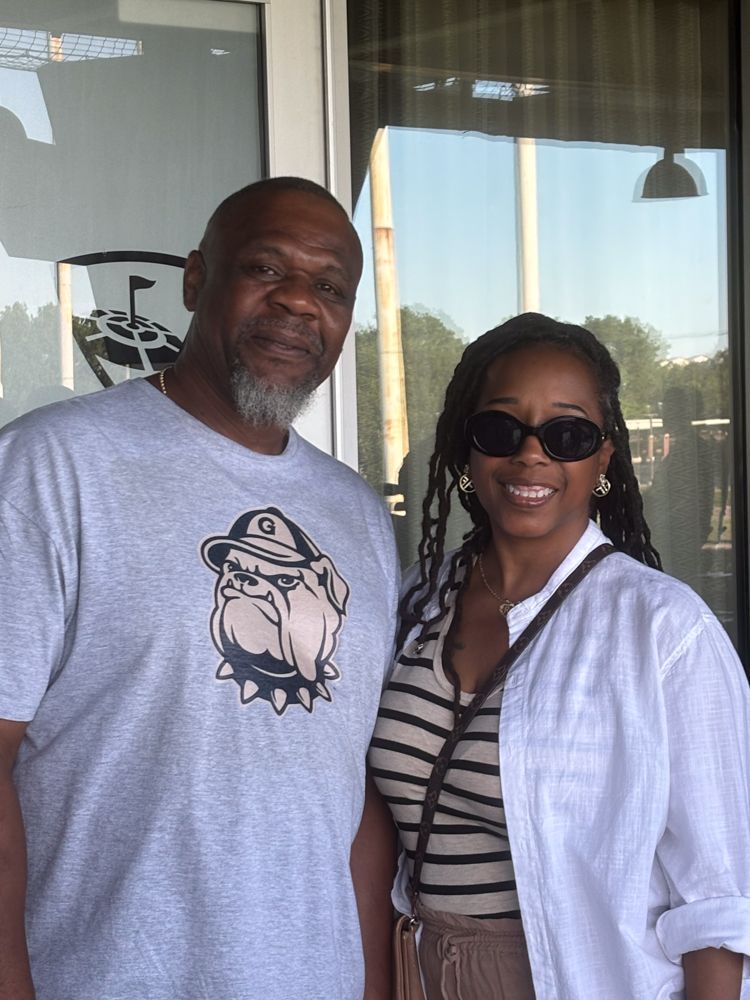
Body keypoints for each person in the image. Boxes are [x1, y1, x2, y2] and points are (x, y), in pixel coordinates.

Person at [0, 177, 399, 1000]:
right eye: (265, 268)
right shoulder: (53, 467)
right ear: (194, 280)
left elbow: (352, 791)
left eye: (330, 287)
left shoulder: (357, 516)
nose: (298, 303)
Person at [370, 313, 750, 998]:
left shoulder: (663, 631)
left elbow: (721, 902)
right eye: (501, 429)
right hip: (414, 967)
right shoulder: (418, 603)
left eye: (567, 434)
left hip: (570, 978)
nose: (531, 455)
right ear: (468, 447)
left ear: (603, 458)